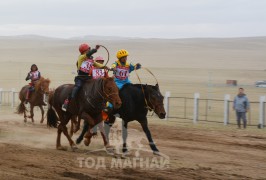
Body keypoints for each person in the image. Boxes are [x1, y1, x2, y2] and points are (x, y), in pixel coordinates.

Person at [61, 43, 106, 111]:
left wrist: (108, 67)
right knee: (77, 87)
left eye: (89, 49)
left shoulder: (91, 60)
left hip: (88, 78)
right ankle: (67, 101)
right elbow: (88, 54)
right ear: (84, 51)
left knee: (95, 86)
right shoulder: (81, 57)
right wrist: (95, 49)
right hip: (80, 78)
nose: (89, 50)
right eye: (88, 49)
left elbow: (98, 65)